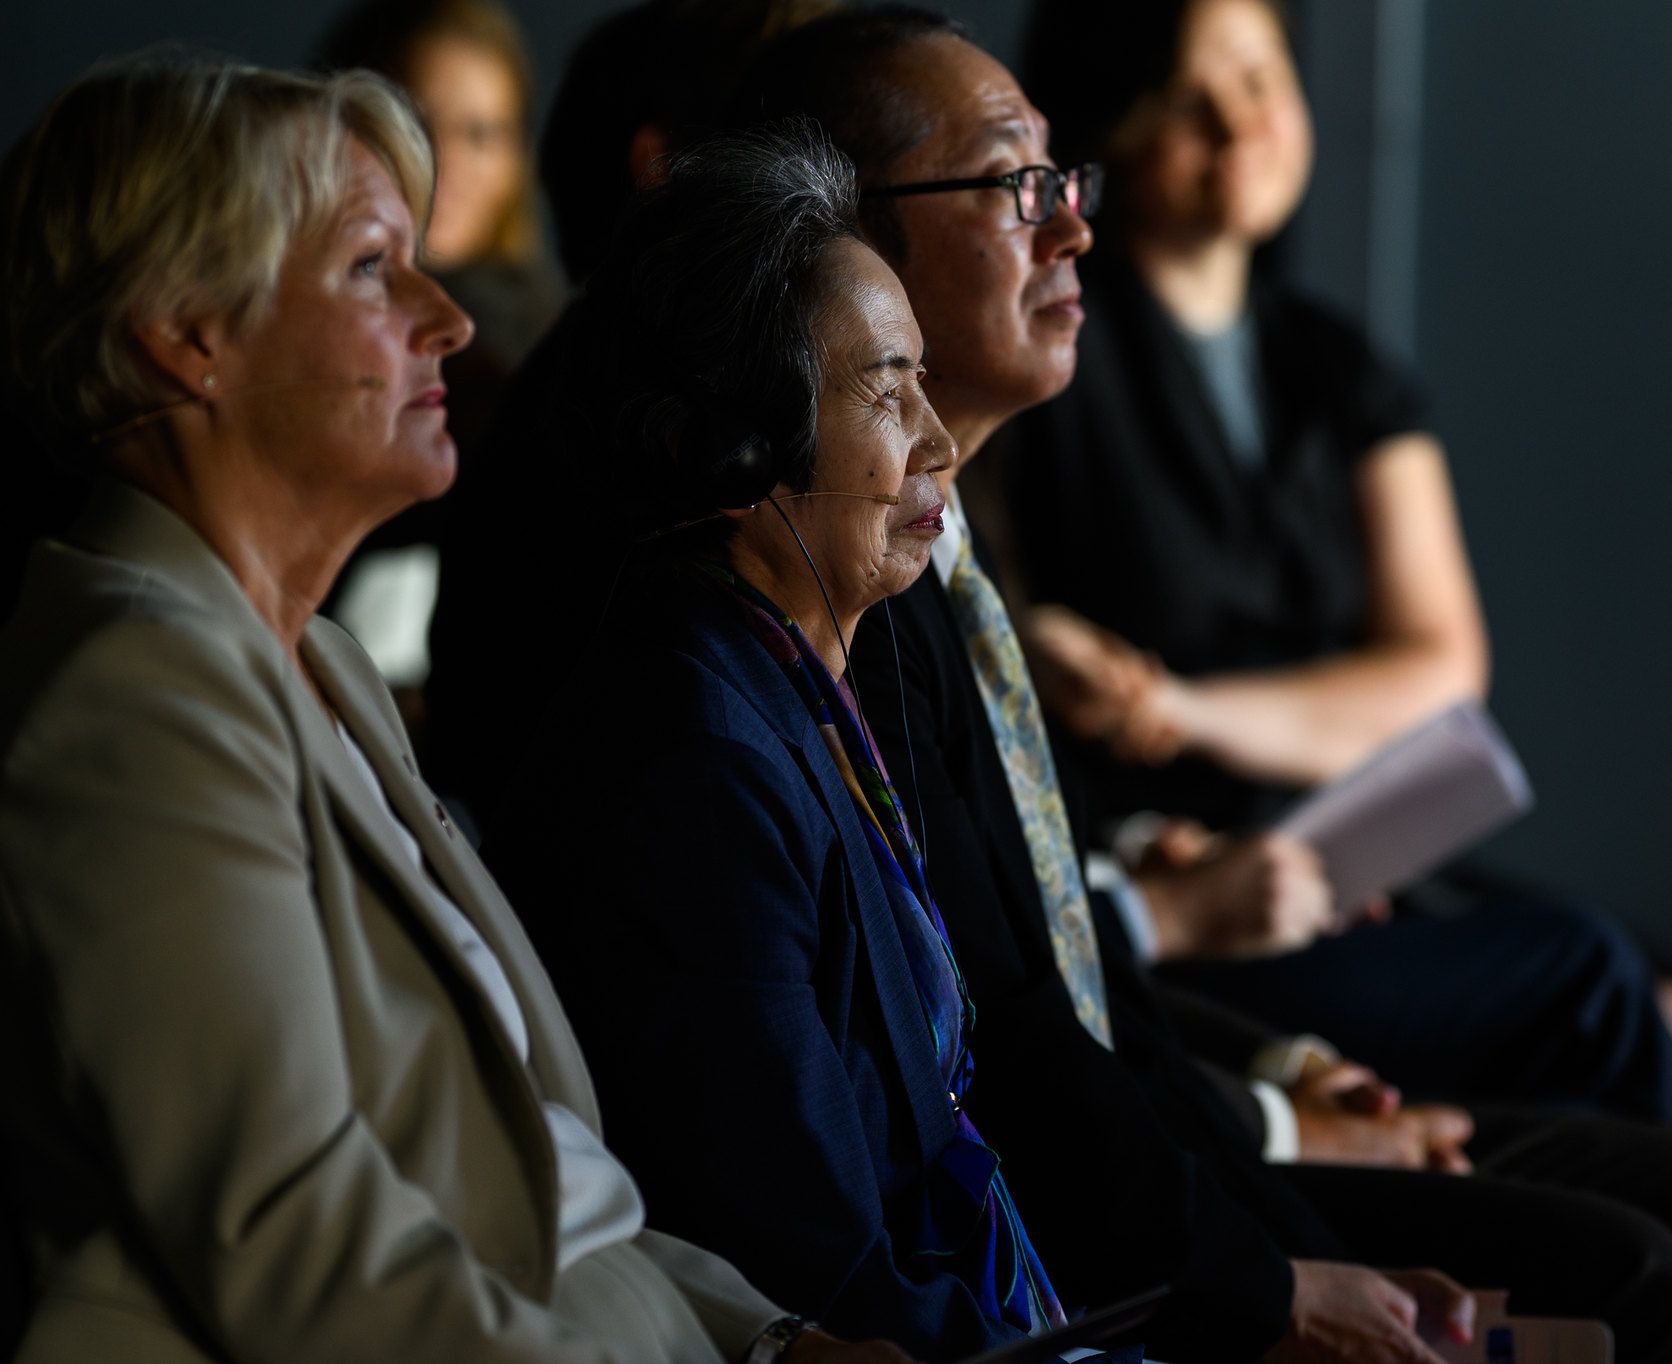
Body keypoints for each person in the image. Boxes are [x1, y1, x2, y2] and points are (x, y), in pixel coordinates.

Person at [731, 10, 1672, 1364]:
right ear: (846, 239)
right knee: (1641, 1221)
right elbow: (998, 1026)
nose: (1069, 231)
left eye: (1063, 186)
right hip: (1144, 1050)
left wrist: (1275, 1105)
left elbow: (1438, 668)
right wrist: (1276, 1245)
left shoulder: (1310, 364)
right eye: (1016, 185)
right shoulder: (867, 586)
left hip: (1221, 998)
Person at [0, 54, 902, 1364]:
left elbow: (546, 1181)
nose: (451, 318)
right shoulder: (135, 700)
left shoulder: (313, 660)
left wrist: (773, 1344)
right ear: (188, 332)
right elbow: (302, 1248)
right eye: (373, 269)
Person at [1001, 0, 1672, 1233]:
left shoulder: (1336, 366)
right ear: (1107, 132)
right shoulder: (1051, 362)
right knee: (1599, 986)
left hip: (1373, 850)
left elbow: (1438, 672)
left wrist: (1177, 709)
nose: (1239, 124)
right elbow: (1007, 644)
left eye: (1257, 78)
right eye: (1187, 97)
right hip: (1195, 890)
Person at [480, 123, 1139, 1361]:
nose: (938, 440)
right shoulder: (693, 768)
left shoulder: (804, 694)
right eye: (889, 391)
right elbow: (810, 1255)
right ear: (742, 449)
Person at [425, 0, 835, 819]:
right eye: (801, 150)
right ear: (668, 168)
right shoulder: (634, 433)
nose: (843, 199)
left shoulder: (594, 376)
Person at [315, 0, 569, 706]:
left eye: (481, 133)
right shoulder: (293, 330)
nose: (446, 162)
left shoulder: (549, 338)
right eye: (416, 125)